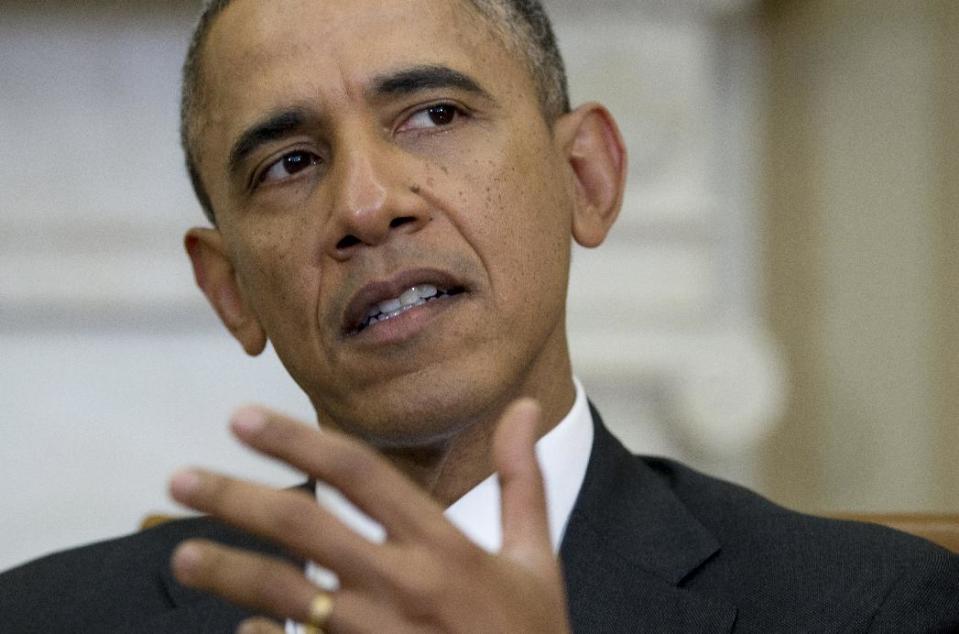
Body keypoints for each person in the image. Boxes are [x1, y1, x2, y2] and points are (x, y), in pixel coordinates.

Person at [1, 0, 958, 632]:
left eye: (433, 114)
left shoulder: (870, 608)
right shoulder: (44, 618)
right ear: (230, 291)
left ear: (585, 177)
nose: (367, 205)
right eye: (288, 163)